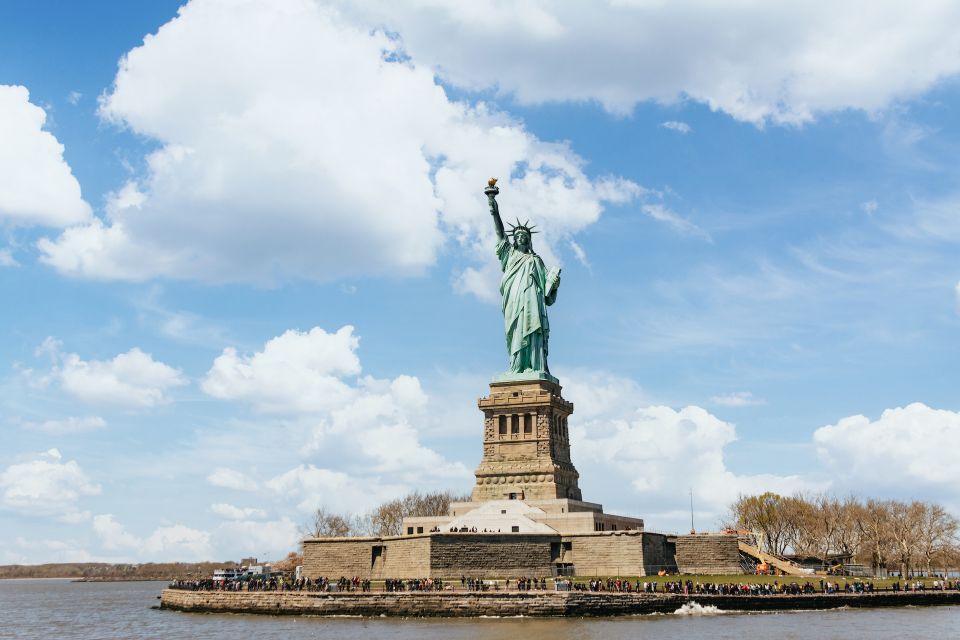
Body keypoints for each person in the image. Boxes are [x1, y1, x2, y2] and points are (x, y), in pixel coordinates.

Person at [486, 180, 560, 378]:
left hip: (533, 303)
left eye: (524, 236)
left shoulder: (536, 260)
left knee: (533, 330)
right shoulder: (509, 255)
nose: (520, 238)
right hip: (514, 299)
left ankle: (535, 367)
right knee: (516, 331)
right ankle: (517, 367)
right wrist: (493, 204)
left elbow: (547, 293)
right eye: (517, 235)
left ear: (529, 240)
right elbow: (499, 232)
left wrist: (553, 283)